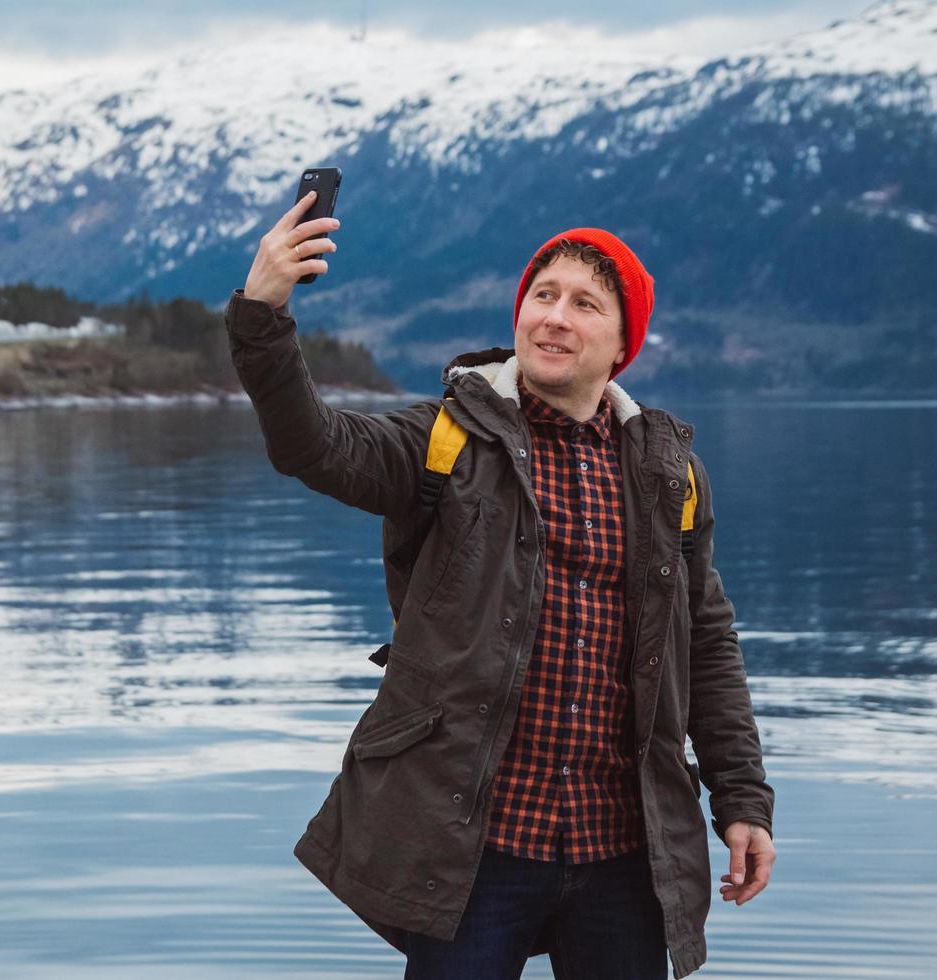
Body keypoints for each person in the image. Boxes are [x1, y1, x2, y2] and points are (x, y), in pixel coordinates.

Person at [222, 189, 776, 979]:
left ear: (624, 342)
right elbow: (315, 446)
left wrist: (743, 801)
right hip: (472, 847)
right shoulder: (447, 437)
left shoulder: (671, 473)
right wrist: (263, 313)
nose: (554, 316)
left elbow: (709, 645)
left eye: (585, 303)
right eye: (542, 295)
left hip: (624, 850)